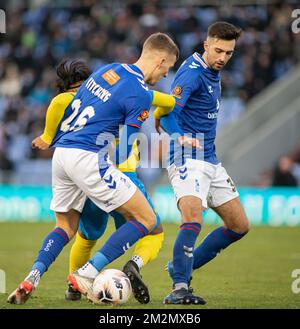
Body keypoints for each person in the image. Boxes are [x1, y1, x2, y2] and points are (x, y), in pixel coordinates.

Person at [8, 32, 179, 305]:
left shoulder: (108, 69)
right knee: (147, 220)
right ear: (160, 61)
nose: (164, 75)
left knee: (65, 226)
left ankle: (33, 276)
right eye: (167, 69)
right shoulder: (140, 94)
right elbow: (127, 141)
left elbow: (75, 104)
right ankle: (87, 273)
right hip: (89, 158)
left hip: (62, 154)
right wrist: (118, 176)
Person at [155, 22, 250, 305]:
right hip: (185, 156)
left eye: (229, 53)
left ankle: (180, 266)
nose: (223, 57)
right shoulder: (192, 73)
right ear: (206, 45)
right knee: (193, 218)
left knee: (239, 226)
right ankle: (179, 287)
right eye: (218, 50)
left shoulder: (212, 71)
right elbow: (168, 112)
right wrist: (179, 137)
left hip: (210, 158)